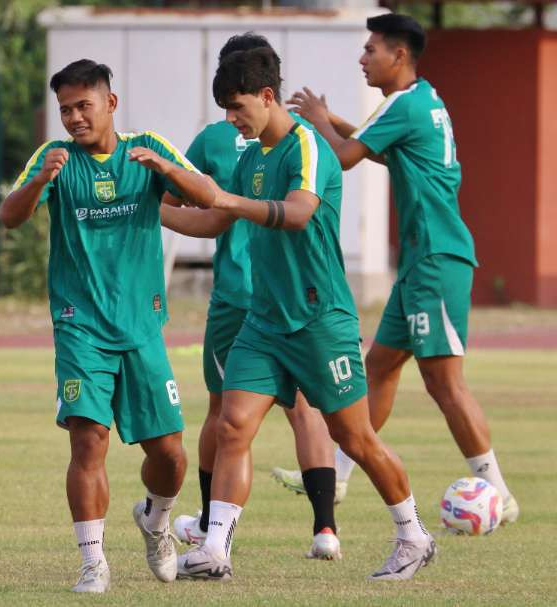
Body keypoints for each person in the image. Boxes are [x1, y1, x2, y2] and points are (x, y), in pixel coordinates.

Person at [172, 47, 434, 581]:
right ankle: (214, 548)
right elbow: (215, 223)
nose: (231, 120)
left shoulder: (307, 146)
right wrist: (149, 211)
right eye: (224, 109)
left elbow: (297, 214)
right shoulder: (249, 158)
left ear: (267, 97)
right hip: (263, 322)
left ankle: (413, 535)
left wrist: (223, 199)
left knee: (354, 439)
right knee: (233, 424)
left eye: (237, 106)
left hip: (319, 321)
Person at [280, 13, 518, 523]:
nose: (362, 58)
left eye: (371, 50)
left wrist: (319, 118)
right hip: (420, 261)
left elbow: (344, 156)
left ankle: (498, 492)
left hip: (437, 257)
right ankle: (340, 477)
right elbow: (380, 150)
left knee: (443, 382)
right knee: (380, 367)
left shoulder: (406, 105)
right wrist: (334, 122)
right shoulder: (420, 102)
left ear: (400, 55)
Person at [0, 59, 215, 594]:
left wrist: (165, 172)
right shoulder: (55, 160)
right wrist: (38, 184)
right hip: (79, 326)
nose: (74, 118)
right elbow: (9, 216)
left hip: (142, 326)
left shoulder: (148, 148)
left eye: (83, 106)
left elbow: (207, 196)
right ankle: (93, 561)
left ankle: (158, 519)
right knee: (88, 440)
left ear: (110, 104)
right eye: (65, 109)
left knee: (169, 451)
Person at [164, 33, 340, 562]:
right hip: (284, 299)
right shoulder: (267, 143)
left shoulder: (227, 142)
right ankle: (324, 529)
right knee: (304, 410)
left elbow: (195, 204)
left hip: (243, 296)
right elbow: (207, 209)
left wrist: (158, 203)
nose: (231, 109)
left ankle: (207, 525)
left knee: (224, 414)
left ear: (260, 90)